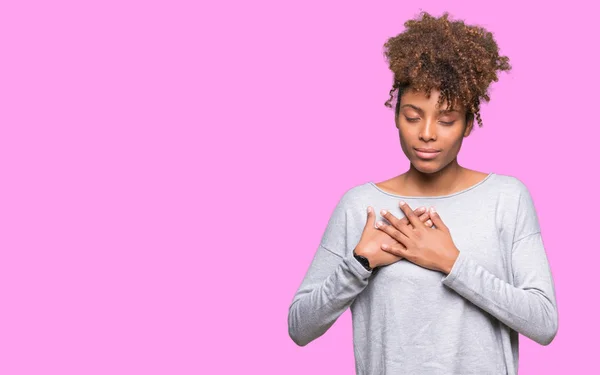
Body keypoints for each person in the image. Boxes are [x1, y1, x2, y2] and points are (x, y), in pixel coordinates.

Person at [287, 11, 559, 375]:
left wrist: (451, 262)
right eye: (413, 117)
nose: (427, 133)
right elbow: (299, 327)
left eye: (446, 120)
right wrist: (359, 264)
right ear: (396, 115)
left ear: (467, 124)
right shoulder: (360, 206)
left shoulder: (506, 199)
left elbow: (543, 323)